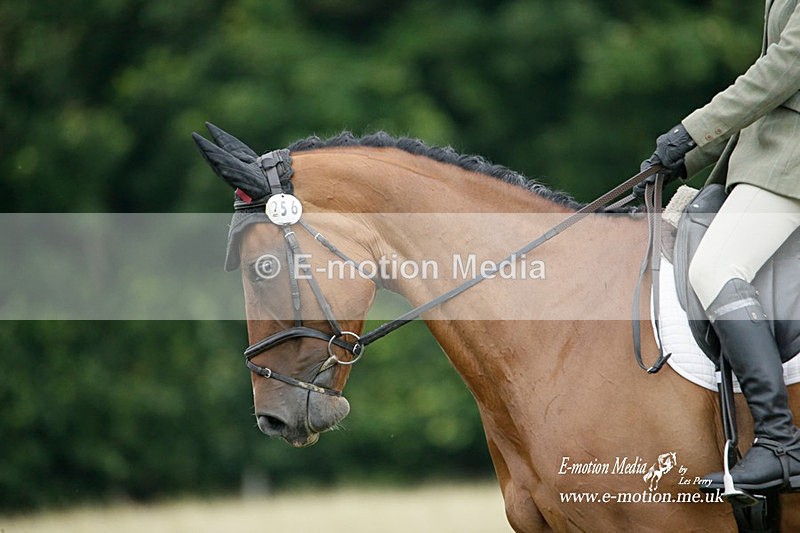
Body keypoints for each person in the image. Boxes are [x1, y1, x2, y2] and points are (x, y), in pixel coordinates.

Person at [639, 1, 800, 492]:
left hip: (790, 163)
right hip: (771, 155)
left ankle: (781, 444)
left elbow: (784, 68)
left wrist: (689, 134)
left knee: (716, 266)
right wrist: (685, 155)